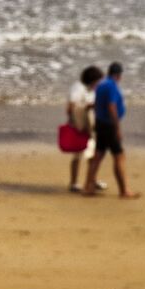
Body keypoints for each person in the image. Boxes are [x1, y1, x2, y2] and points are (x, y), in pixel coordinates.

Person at [83, 61, 138, 199]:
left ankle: (89, 187)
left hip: (100, 123)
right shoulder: (111, 86)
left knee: (98, 155)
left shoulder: (101, 85)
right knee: (119, 156)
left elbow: (98, 103)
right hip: (108, 125)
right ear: (119, 75)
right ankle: (124, 190)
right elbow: (112, 107)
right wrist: (117, 127)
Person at [62, 65, 102, 193]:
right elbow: (70, 107)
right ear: (92, 79)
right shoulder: (78, 88)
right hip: (79, 126)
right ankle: (73, 182)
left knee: (92, 154)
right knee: (78, 155)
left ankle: (92, 180)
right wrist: (73, 123)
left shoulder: (90, 90)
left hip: (88, 127)